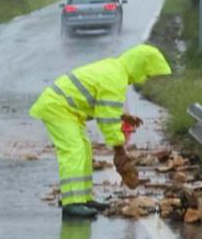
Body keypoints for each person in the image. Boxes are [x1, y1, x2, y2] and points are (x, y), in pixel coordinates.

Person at [33, 43, 169, 218]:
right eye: (147, 73)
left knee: (84, 149)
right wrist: (119, 151)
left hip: (65, 109)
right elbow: (107, 119)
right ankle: (72, 204)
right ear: (139, 66)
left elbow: (104, 106)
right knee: (74, 151)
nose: (145, 78)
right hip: (57, 107)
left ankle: (82, 198)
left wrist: (123, 116)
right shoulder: (115, 77)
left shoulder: (116, 70)